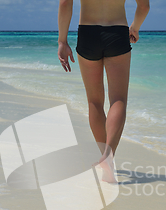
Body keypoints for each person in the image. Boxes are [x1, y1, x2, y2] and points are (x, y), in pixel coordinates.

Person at [58, 0, 150, 182]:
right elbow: (144, 6)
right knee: (118, 100)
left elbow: (65, 3)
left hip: (87, 34)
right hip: (117, 33)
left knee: (94, 102)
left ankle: (106, 159)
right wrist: (135, 27)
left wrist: (62, 41)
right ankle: (108, 157)